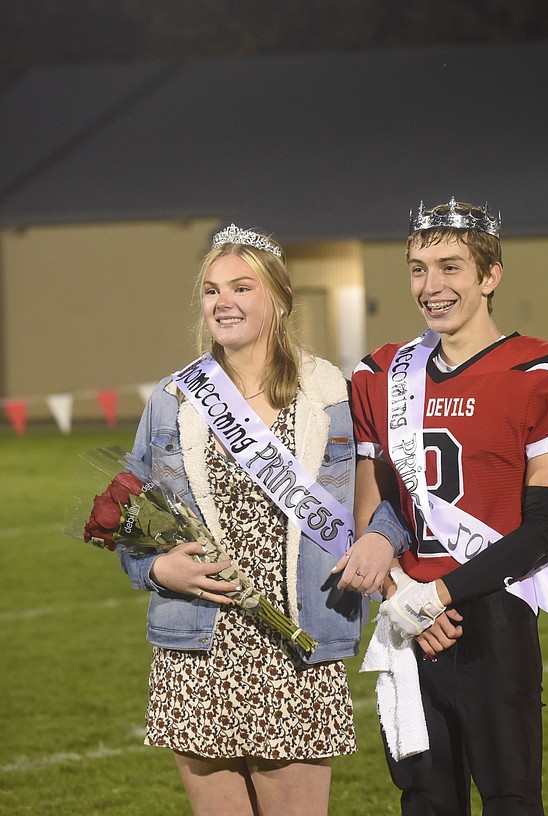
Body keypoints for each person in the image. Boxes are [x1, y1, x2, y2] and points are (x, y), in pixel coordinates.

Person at [114, 225, 404, 816]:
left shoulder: (334, 394)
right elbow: (127, 514)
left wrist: (379, 538)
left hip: (297, 642)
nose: (223, 302)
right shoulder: (174, 398)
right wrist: (155, 568)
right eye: (212, 289)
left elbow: (396, 499)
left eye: (241, 287)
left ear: (278, 297)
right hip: (197, 644)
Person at [348, 198, 548, 815]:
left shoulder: (544, 370)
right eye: (417, 269)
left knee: (511, 800)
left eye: (450, 267)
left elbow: (542, 532)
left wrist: (437, 598)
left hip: (493, 616)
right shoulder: (381, 374)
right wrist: (401, 598)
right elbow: (371, 508)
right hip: (406, 617)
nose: (431, 287)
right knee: (425, 804)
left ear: (490, 276)